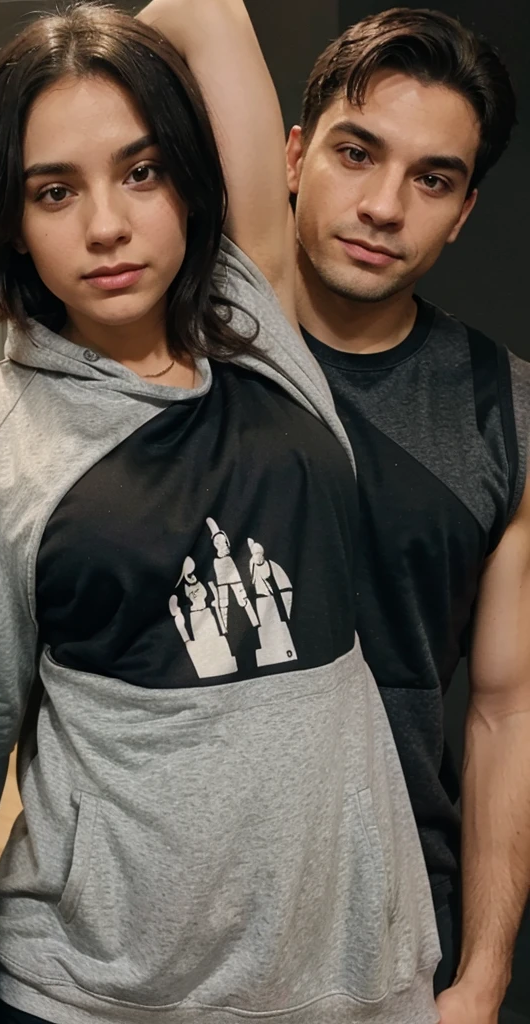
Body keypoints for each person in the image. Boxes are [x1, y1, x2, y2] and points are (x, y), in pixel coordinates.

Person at [0, 1, 440, 1020]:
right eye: (53, 188)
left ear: (186, 183)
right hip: (101, 990)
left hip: (353, 973)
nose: (107, 224)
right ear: (10, 220)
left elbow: (208, 14)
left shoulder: (255, 320)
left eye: (142, 169)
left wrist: (99, 41)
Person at [286, 9, 530, 1020]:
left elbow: (504, 711)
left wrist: (482, 975)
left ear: (463, 210)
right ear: (292, 156)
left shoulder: (505, 407)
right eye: (355, 152)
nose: (383, 205)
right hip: (172, 938)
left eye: (430, 179)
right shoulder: (187, 366)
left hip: (399, 938)